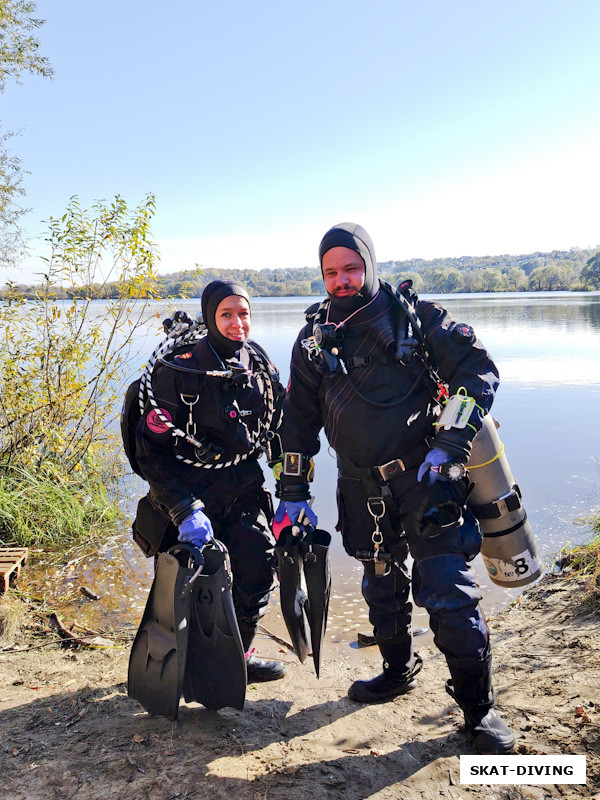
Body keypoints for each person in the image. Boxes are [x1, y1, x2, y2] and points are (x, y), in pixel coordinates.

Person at [275, 222, 515, 753]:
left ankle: (480, 711)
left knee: (448, 592)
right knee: (379, 581)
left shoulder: (417, 317)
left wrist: (451, 442)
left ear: (371, 265)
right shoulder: (313, 339)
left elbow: (479, 372)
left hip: (427, 479)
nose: (342, 280)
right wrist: (291, 493)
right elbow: (297, 421)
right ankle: (397, 668)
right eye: (331, 272)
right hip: (360, 487)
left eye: (352, 268)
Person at [133, 280, 286, 683]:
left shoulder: (259, 364)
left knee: (257, 572)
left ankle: (238, 657)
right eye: (226, 314)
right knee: (184, 585)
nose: (238, 323)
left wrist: (292, 492)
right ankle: (178, 665)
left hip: (243, 490)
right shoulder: (176, 371)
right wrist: (183, 509)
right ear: (209, 317)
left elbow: (280, 429)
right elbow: (150, 452)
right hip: (188, 496)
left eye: (244, 313)